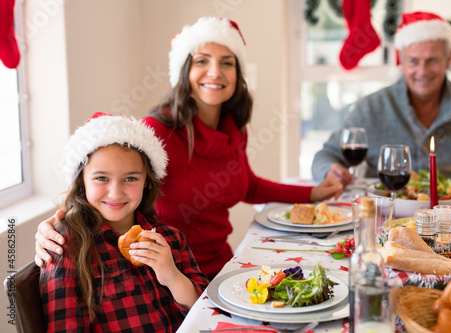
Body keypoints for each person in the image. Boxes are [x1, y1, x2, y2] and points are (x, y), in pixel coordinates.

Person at [35, 17, 344, 280]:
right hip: (168, 273)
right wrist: (55, 224)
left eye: (227, 63)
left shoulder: (234, 128)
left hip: (224, 265)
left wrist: (312, 193)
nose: (215, 72)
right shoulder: (156, 132)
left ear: (238, 74)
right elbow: (108, 188)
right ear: (184, 71)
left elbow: (248, 185)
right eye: (202, 61)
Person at [40, 113, 209, 332]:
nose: (116, 193)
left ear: (147, 182)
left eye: (130, 179)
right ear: (82, 180)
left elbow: (207, 314)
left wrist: (173, 277)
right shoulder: (66, 246)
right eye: (101, 178)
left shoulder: (172, 239)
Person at [312, 11, 451, 186]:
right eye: (413, 61)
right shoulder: (371, 107)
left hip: (450, 212)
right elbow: (326, 155)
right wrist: (330, 170)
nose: (422, 71)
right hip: (384, 209)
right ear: (401, 61)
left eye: (432, 60)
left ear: (448, 59)